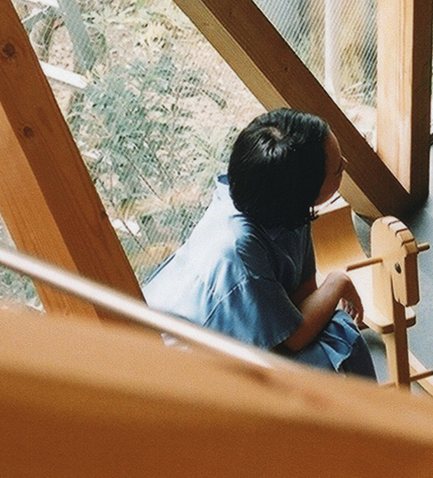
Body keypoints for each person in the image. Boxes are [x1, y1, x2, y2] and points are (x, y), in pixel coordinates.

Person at [144, 109, 376, 378]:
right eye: (337, 170)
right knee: (341, 335)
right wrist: (337, 281)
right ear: (302, 192)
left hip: (239, 332)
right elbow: (295, 336)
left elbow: (302, 292)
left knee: (333, 328)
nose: (345, 163)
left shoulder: (276, 199)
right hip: (184, 364)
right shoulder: (239, 248)